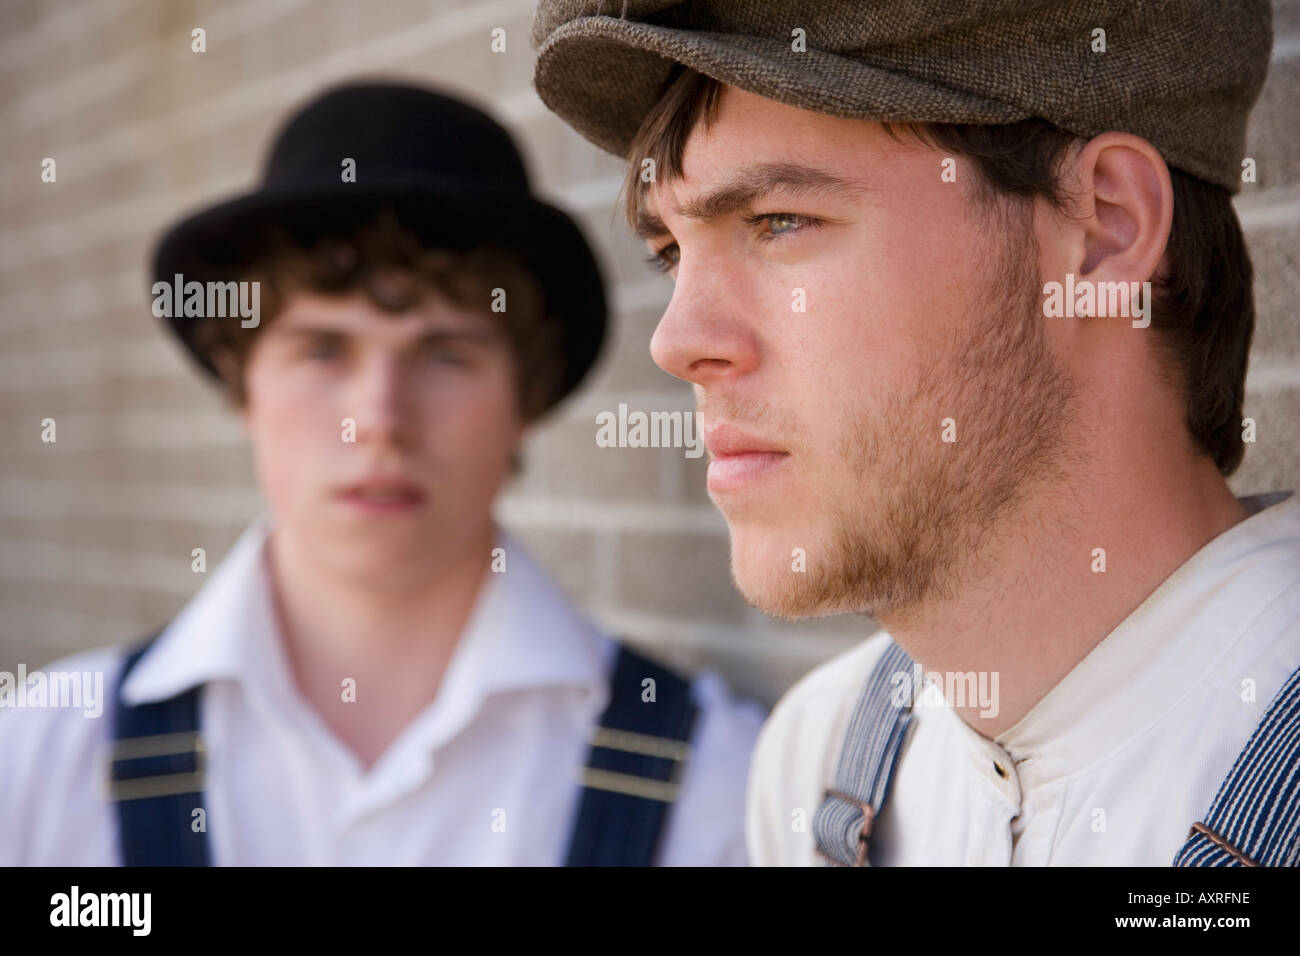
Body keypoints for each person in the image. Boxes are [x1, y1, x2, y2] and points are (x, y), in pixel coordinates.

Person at [531, 1, 1300, 865]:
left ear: (1105, 231)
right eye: (672, 251)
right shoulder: (816, 761)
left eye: (779, 221)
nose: (676, 343)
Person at [0, 81, 764, 866]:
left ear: (523, 399)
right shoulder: (41, 761)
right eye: (323, 350)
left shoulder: (717, 786)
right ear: (244, 387)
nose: (379, 417)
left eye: (444, 354)